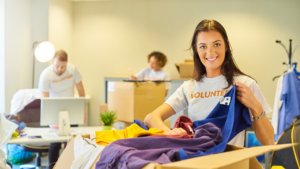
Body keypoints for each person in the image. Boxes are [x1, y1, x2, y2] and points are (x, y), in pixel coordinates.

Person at [144, 20, 274, 147]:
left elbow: (268, 142)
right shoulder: (189, 87)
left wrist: (256, 106)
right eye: (203, 46)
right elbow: (151, 117)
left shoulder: (244, 84)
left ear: (227, 45)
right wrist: (169, 132)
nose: (210, 52)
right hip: (198, 161)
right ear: (196, 49)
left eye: (216, 44)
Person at [38, 50, 86, 169]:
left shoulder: (73, 69)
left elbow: (81, 91)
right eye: (57, 66)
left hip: (72, 109)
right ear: (52, 62)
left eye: (63, 67)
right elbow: (45, 100)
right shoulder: (45, 74)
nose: (60, 69)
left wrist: (82, 111)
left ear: (67, 64)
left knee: (73, 142)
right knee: (55, 144)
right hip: (55, 110)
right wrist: (51, 120)